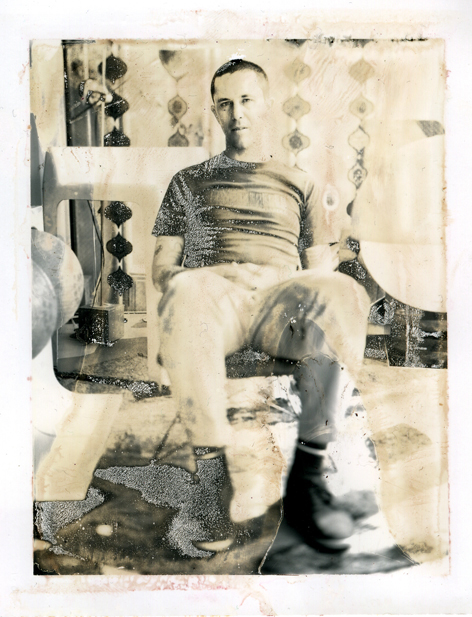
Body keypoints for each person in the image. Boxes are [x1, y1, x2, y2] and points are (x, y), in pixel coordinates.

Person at [151, 59, 371, 552]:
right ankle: (212, 483)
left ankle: (308, 478)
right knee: (185, 291)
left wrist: (287, 281)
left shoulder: (301, 182)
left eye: (247, 100)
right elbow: (162, 270)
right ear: (214, 111)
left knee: (344, 293)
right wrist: (209, 276)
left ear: (266, 105)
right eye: (225, 104)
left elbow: (320, 271)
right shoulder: (187, 181)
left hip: (279, 302)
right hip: (213, 300)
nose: (237, 114)